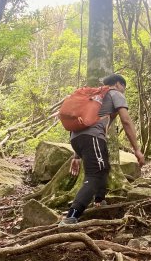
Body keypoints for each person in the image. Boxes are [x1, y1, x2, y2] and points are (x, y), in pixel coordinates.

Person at [60, 73, 145, 225]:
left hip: (77, 138)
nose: (123, 91)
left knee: (103, 167)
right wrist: (136, 149)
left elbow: (82, 125)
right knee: (95, 174)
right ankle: (71, 216)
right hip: (93, 137)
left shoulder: (95, 96)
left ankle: (100, 200)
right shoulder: (115, 94)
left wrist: (76, 156)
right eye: (123, 88)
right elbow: (126, 121)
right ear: (119, 84)